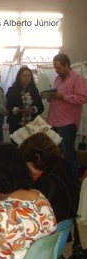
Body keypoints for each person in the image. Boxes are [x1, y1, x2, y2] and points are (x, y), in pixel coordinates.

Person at [19, 132, 79, 222]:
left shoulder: (46, 182)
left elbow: (29, 213)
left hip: (50, 230)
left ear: (37, 158)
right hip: (65, 228)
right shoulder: (63, 168)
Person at [45, 53, 87, 181]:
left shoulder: (77, 78)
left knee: (68, 154)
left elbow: (83, 97)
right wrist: (51, 97)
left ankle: (73, 185)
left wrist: (63, 96)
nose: (56, 71)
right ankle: (59, 182)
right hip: (53, 121)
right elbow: (57, 96)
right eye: (55, 68)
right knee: (54, 154)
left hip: (67, 124)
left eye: (59, 68)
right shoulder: (58, 79)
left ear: (67, 65)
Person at [6, 67, 44, 135]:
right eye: (24, 75)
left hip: (32, 125)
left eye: (29, 76)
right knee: (16, 145)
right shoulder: (12, 90)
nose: (27, 78)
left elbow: (41, 108)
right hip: (16, 125)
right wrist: (19, 110)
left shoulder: (34, 91)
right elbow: (7, 106)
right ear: (19, 77)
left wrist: (33, 109)